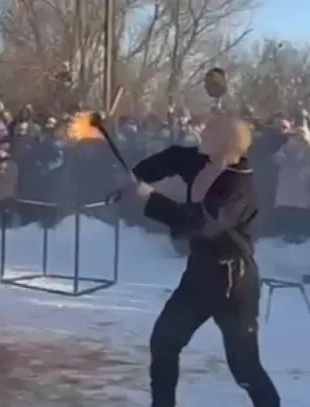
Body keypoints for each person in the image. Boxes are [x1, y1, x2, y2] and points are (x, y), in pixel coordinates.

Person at [125, 113, 280, 407]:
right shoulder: (202, 161)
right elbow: (172, 158)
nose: (202, 131)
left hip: (233, 281)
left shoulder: (239, 186)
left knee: (244, 366)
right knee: (164, 343)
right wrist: (137, 174)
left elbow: (201, 224)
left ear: (224, 144)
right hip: (201, 273)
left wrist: (152, 200)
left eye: (209, 130)